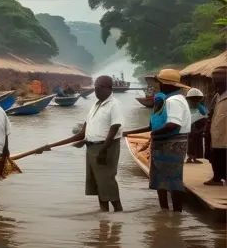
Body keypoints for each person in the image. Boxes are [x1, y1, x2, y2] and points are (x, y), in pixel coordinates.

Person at [49, 75, 124, 212]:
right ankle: (105, 218)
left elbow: (115, 128)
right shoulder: (95, 105)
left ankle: (119, 216)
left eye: (99, 88)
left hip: (106, 148)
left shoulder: (114, 105)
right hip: (91, 148)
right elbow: (83, 132)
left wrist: (103, 151)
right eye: (95, 88)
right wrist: (51, 146)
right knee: (98, 185)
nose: (96, 91)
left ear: (109, 88)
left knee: (107, 183)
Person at [124, 69, 190, 211]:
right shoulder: (176, 99)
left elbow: (173, 124)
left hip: (170, 144)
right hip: (170, 142)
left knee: (172, 180)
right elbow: (152, 126)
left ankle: (174, 211)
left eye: (158, 82)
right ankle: (166, 212)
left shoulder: (173, 101)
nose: (156, 85)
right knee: (164, 179)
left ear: (163, 84)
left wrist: (153, 135)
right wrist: (128, 132)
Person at [205, 66, 227, 185]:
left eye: (216, 81)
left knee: (223, 155)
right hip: (215, 131)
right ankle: (217, 178)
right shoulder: (217, 96)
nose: (213, 83)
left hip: (224, 132)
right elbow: (211, 112)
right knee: (214, 155)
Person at [186, 88, 208, 163]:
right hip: (191, 128)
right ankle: (190, 156)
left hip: (198, 128)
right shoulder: (187, 107)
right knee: (190, 141)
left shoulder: (201, 108)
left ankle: (195, 157)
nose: (194, 101)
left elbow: (206, 117)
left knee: (196, 142)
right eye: (192, 99)